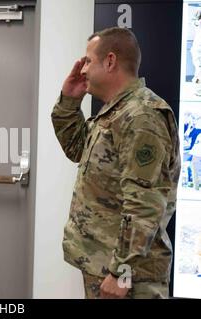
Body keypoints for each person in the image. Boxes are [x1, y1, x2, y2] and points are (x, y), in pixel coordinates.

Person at [51, 27, 180, 299]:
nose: (82, 69)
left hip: (131, 279)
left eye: (88, 61)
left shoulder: (142, 115)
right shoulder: (116, 112)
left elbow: (145, 203)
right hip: (106, 266)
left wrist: (121, 270)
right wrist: (70, 101)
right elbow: (76, 148)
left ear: (110, 61)